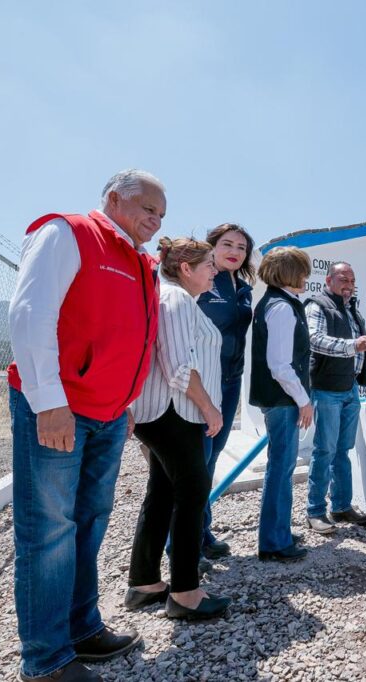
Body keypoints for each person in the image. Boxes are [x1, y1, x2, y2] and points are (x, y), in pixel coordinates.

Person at [7, 169, 164, 682]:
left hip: (109, 414)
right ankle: (47, 660)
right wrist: (49, 402)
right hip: (61, 409)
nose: (156, 223)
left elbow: (134, 339)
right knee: (50, 530)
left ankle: (81, 629)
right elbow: (31, 314)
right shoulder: (68, 233)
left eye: (161, 216)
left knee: (90, 521)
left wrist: (128, 403)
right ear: (116, 200)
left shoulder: (141, 261)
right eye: (149, 210)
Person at [126, 237, 232, 620]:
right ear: (186, 268)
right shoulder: (177, 299)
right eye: (209, 266)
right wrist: (210, 408)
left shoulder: (173, 297)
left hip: (164, 411)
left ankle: (144, 582)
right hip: (174, 411)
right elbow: (178, 367)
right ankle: (186, 593)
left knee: (164, 491)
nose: (215, 271)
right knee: (193, 490)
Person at [194, 223, 257, 561]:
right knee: (196, 459)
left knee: (212, 456)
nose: (234, 251)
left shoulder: (244, 288)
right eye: (227, 244)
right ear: (212, 247)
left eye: (242, 247)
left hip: (231, 380)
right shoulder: (202, 279)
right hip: (203, 381)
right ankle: (183, 546)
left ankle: (202, 532)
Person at [303, 262, 366, 533]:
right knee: (324, 450)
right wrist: (353, 345)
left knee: (343, 451)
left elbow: (359, 347)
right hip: (326, 390)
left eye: (352, 279)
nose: (348, 283)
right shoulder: (317, 305)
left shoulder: (351, 309)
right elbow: (313, 339)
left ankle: (341, 506)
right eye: (343, 278)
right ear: (328, 279)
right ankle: (314, 511)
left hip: (350, 389)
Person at [249, 246, 314, 561]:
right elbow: (280, 366)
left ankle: (278, 531)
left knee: (282, 465)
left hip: (280, 400)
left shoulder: (278, 303)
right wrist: (304, 400)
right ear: (290, 273)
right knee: (281, 467)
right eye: (302, 271)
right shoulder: (282, 308)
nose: (306, 278)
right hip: (283, 400)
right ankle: (274, 542)